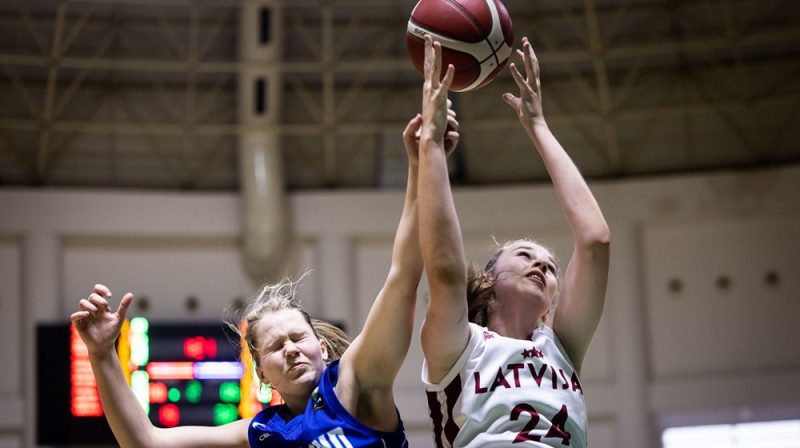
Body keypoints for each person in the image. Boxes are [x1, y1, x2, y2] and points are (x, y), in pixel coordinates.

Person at [69, 105, 460, 448]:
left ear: (322, 348)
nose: (290, 349)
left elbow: (403, 275)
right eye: (275, 348)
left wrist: (420, 165)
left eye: (298, 338)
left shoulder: (357, 382)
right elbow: (146, 442)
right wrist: (102, 355)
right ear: (262, 374)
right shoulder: (260, 432)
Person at [416, 34, 610, 448]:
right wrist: (431, 148)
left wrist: (538, 126)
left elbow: (595, 241)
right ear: (489, 281)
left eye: (551, 267)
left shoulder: (560, 348)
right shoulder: (459, 344)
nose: (542, 265)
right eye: (525, 255)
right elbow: (446, 271)